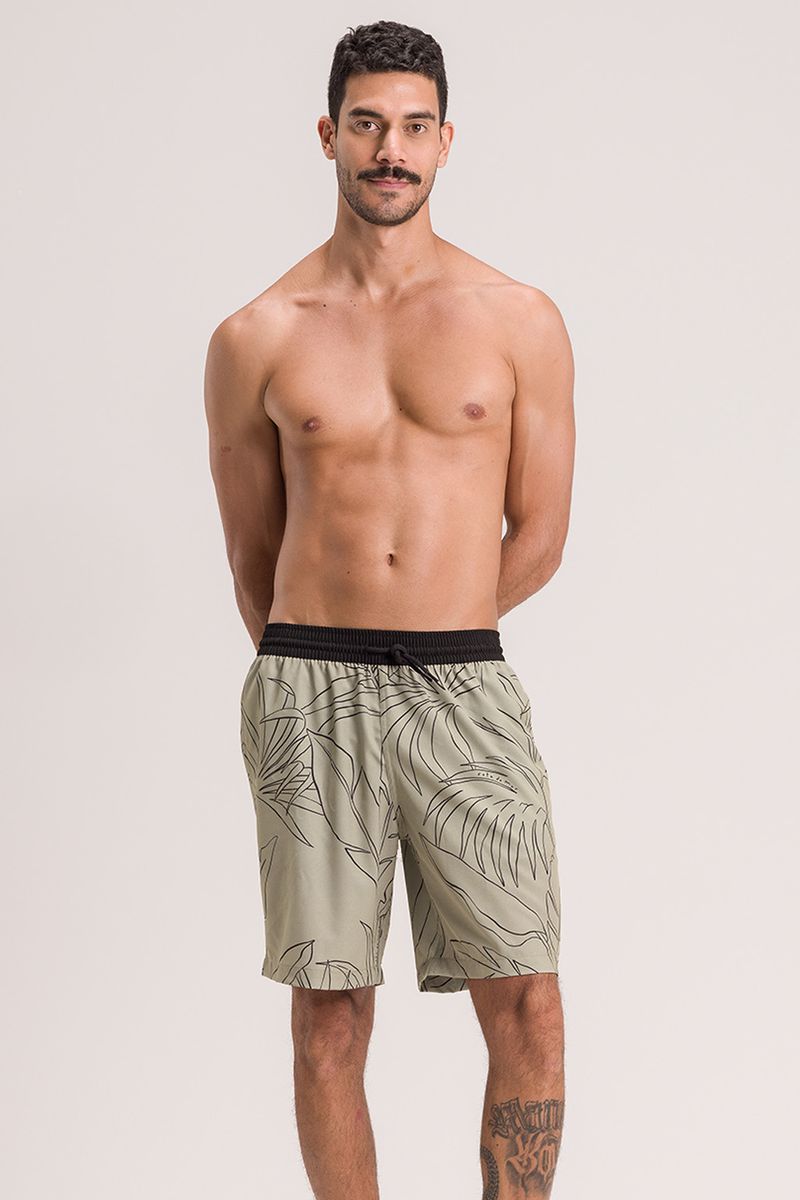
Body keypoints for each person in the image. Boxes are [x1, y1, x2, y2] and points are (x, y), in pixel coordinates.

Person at [204, 19, 575, 1200]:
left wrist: (437, 621)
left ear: (445, 142)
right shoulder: (256, 337)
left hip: (462, 684)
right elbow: (252, 558)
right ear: (328, 135)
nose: (390, 150)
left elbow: (540, 533)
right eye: (367, 124)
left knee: (526, 999)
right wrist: (320, 657)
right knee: (329, 1019)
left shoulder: (517, 319)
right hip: (310, 689)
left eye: (414, 127)